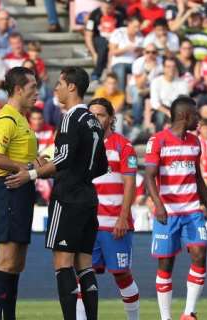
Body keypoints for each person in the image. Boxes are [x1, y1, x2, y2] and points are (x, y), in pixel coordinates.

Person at [7, 67, 108, 320]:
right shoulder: (93, 120)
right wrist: (74, 173)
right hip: (88, 197)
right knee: (84, 264)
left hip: (68, 198)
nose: (56, 89)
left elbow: (62, 157)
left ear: (72, 87)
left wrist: (31, 174)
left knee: (63, 264)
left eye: (60, 83)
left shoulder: (71, 118)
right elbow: (101, 165)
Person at [144, 96, 207, 320]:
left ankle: (188, 313)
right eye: (196, 115)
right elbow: (148, 176)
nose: (199, 120)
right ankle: (166, 317)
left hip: (192, 211)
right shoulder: (158, 140)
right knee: (166, 264)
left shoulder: (195, 142)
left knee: (200, 252)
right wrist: (158, 205)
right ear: (185, 116)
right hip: (168, 212)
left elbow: (197, 178)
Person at [0, 66, 39, 320]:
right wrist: (26, 167)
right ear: (18, 89)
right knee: (6, 258)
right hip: (10, 188)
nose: (37, 93)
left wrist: (39, 164)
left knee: (18, 261)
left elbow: (26, 159)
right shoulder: (6, 118)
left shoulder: (21, 118)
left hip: (24, 188)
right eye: (32, 88)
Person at [88, 97, 140, 320]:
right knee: (84, 275)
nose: (95, 119)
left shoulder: (123, 145)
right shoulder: (83, 146)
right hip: (89, 225)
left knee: (121, 274)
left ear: (111, 118)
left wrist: (122, 218)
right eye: (92, 115)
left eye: (100, 114)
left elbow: (130, 183)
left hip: (114, 224)